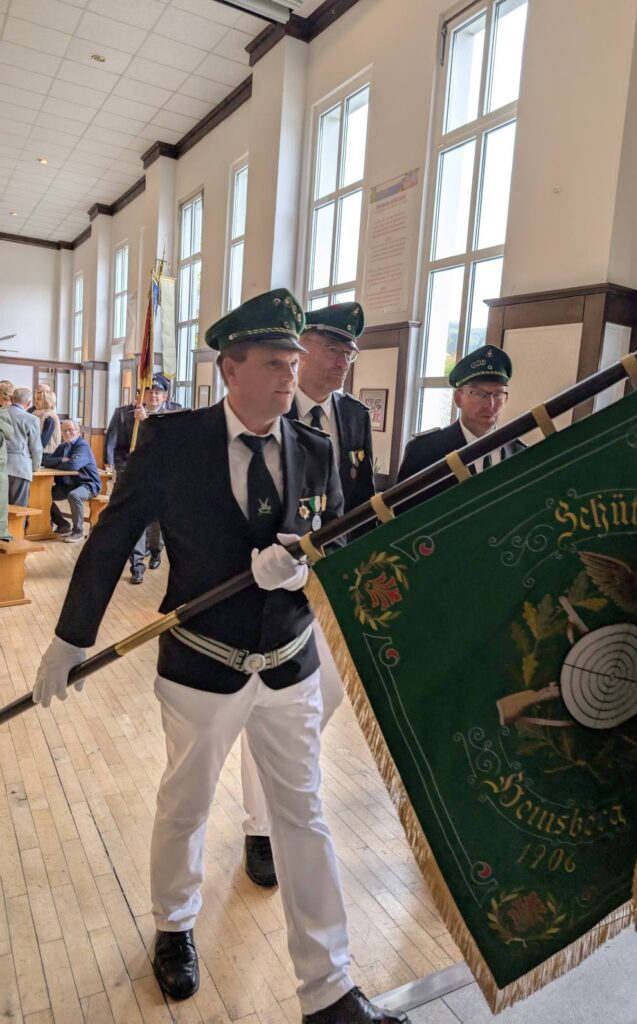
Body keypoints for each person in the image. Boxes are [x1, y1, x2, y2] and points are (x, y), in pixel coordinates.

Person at [32, 288, 409, 1024]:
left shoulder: (315, 448)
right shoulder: (172, 442)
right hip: (202, 664)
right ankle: (175, 925)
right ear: (229, 368)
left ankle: (329, 988)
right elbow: (111, 540)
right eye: (273, 363)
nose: (289, 377)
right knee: (187, 802)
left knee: (303, 816)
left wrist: (304, 569)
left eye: (293, 363)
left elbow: (333, 538)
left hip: (289, 663)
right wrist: (71, 638)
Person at [240, 301, 376, 888]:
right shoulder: (269, 405)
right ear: (303, 348)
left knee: (324, 698)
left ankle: (286, 789)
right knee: (267, 706)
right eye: (333, 348)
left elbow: (361, 501)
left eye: (350, 351)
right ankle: (260, 827)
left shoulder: (353, 415)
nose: (343, 360)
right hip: (270, 583)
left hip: (333, 582)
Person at [397, 345, 525, 506]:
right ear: (458, 398)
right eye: (479, 394)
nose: (490, 404)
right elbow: (400, 515)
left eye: (498, 394)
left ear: (506, 399)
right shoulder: (424, 451)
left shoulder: (519, 453)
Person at [104, 373, 181, 583]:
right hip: (132, 472)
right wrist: (117, 466)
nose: (153, 396)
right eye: (149, 392)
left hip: (161, 474)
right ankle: (137, 565)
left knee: (156, 520)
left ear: (165, 396)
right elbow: (116, 442)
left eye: (157, 392)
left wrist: (148, 422)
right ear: (141, 395)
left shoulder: (174, 413)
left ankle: (155, 550)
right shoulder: (127, 413)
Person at [42, 420, 101, 543]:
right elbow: (46, 461)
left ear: (78, 432)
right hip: (68, 484)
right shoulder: (62, 447)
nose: (67, 433)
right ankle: (63, 525)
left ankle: (78, 532)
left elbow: (73, 465)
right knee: (43, 495)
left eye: (70, 430)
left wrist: (59, 463)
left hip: (88, 484)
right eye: (64, 431)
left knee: (74, 496)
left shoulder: (82, 446)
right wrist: (62, 460)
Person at [5, 387, 42, 509]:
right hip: (20, 468)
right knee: (18, 508)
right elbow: (36, 447)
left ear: (12, 399)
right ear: (29, 402)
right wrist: (35, 467)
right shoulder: (31, 419)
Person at [32, 388, 62, 454]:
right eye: (35, 399)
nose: (35, 401)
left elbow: (43, 442)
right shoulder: (36, 414)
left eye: (38, 399)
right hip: (38, 452)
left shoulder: (49, 417)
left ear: (46, 401)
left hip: (47, 453)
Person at [0, 402, 13, 541]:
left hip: (1, 466)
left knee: (1, 503)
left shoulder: (2, 412)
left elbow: (9, 433)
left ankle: (1, 532)